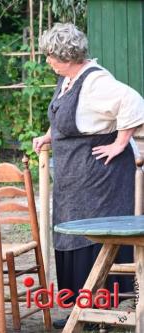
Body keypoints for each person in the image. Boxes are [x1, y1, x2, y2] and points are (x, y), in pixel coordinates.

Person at [33, 23, 144, 328]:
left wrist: (120, 143)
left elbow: (133, 102)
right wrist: (48, 137)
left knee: (92, 238)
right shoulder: (69, 79)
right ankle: (80, 309)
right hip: (74, 178)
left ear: (65, 56)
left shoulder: (96, 82)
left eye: (50, 56)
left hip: (99, 178)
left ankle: (99, 311)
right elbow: (65, 116)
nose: (47, 61)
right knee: (71, 236)